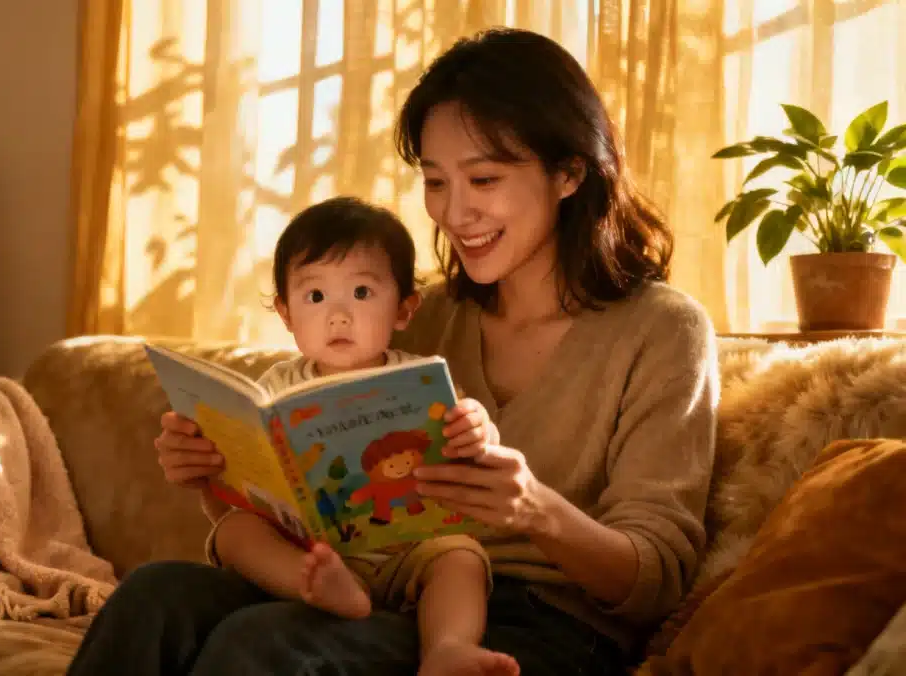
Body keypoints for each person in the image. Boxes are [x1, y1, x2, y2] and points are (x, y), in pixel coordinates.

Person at [67, 26, 719, 676]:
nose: (455, 212)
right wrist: (219, 475)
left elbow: (654, 580)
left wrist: (536, 509)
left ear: (569, 172)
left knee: (270, 644)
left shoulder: (663, 332)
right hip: (378, 586)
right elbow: (325, 487)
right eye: (436, 182)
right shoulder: (418, 314)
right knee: (153, 597)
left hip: (544, 625)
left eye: (483, 179)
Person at [197, 195, 518, 676]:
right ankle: (316, 589)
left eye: (362, 293)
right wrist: (218, 463)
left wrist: (476, 426)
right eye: (315, 297)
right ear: (286, 314)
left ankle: (448, 648)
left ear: (405, 309)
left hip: (408, 550)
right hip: (309, 555)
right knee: (235, 530)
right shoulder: (275, 389)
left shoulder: (420, 379)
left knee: (461, 554)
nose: (339, 315)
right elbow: (243, 487)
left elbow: (470, 440)